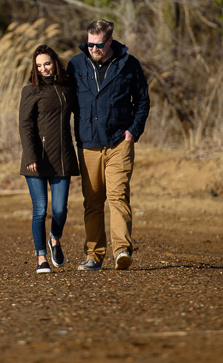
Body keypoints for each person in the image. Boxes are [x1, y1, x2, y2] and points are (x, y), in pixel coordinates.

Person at [68, 19, 150, 271]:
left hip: (119, 143)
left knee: (117, 196)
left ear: (110, 41)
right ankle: (93, 256)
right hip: (88, 143)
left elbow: (143, 100)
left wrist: (133, 132)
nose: (93, 49)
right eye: (90, 44)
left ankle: (122, 251)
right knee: (92, 202)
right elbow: (65, 102)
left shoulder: (129, 64)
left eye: (99, 44)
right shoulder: (76, 64)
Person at [18, 45, 80, 274]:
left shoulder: (67, 87)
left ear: (54, 62)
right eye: (39, 65)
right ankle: (41, 259)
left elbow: (80, 114)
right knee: (40, 210)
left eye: (47, 63)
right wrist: (31, 156)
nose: (44, 69)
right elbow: (25, 126)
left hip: (62, 157)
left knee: (60, 210)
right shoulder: (31, 91)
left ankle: (55, 238)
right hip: (36, 160)